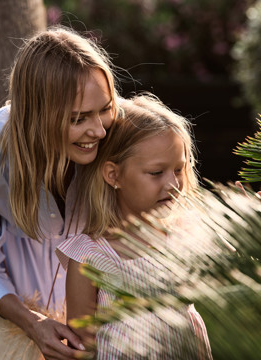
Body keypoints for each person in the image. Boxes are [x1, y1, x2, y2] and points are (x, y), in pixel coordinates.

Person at [0, 26, 119, 360]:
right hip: (12, 304)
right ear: (39, 117)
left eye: (105, 109)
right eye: (79, 119)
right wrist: (33, 322)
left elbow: (163, 191)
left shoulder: (117, 134)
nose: (98, 130)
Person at [56, 94, 213, 359]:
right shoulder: (89, 257)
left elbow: (241, 269)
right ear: (113, 175)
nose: (173, 184)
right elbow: (81, 348)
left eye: (178, 170)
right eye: (156, 173)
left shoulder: (186, 234)